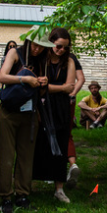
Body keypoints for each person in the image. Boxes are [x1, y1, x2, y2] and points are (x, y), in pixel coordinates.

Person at [0, 28, 53, 213]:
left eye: (42, 46)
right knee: (6, 156)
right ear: (28, 42)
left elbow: (41, 93)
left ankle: (22, 195)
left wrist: (43, 84)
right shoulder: (15, 53)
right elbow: (2, 77)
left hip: (30, 114)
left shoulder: (43, 60)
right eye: (35, 45)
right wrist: (25, 79)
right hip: (9, 112)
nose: (37, 49)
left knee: (26, 157)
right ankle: (5, 197)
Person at [32, 28, 76, 203]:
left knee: (61, 144)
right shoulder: (42, 60)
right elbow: (38, 86)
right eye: (58, 46)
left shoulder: (69, 62)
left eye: (65, 47)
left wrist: (50, 87)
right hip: (43, 106)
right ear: (51, 44)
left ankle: (59, 188)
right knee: (39, 145)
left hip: (61, 108)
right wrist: (59, 88)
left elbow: (70, 87)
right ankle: (29, 185)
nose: (61, 50)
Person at [65, 52, 86, 188]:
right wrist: (73, 94)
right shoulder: (72, 57)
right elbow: (81, 79)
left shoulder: (50, 55)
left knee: (51, 132)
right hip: (70, 99)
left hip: (54, 97)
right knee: (67, 133)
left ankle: (54, 171)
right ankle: (73, 164)